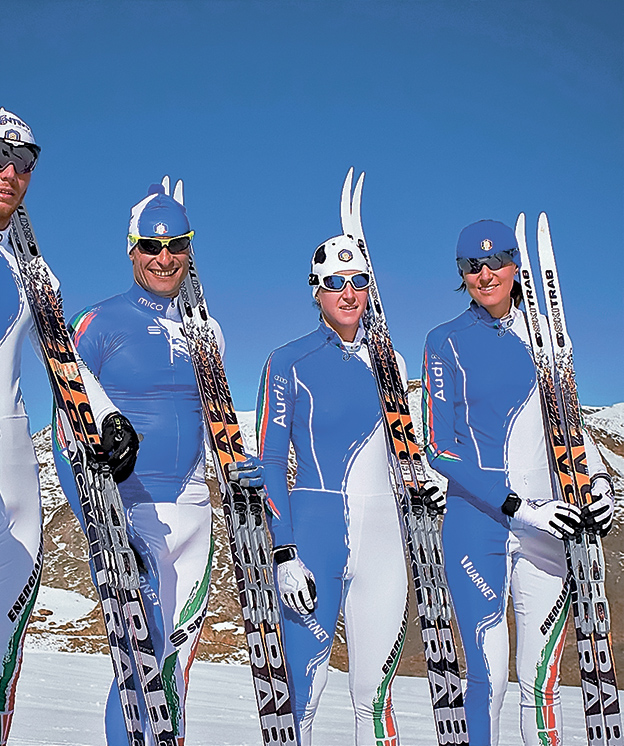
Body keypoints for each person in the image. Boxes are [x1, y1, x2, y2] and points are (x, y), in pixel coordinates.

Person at [0, 108, 136, 746]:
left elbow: (60, 355)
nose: (11, 172)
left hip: (17, 488)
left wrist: (107, 417)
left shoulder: (30, 271)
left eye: (25, 161)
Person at [52, 180, 261, 744]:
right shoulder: (101, 322)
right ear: (131, 249)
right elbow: (63, 421)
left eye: (177, 246)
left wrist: (240, 465)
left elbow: (216, 420)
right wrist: (100, 516)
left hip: (196, 512)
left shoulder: (206, 331)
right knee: (136, 664)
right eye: (151, 246)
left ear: (191, 249)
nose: (164, 258)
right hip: (130, 508)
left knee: (173, 671)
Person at [421, 220, 615, 746]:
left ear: (516, 266)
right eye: (471, 266)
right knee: (489, 680)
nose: (484, 275)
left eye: (496, 262)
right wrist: (518, 506)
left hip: (549, 527)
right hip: (477, 526)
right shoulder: (445, 341)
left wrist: (598, 483)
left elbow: (569, 426)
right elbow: (440, 447)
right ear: (461, 274)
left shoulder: (546, 338)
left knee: (540, 683)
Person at [256, 230, 421, 745]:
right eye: (334, 283)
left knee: (375, 701)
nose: (347, 294)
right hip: (313, 543)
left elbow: (409, 449)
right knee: (301, 698)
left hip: (385, 546)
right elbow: (266, 464)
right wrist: (283, 552)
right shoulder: (288, 362)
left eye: (357, 282)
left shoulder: (391, 366)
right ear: (316, 290)